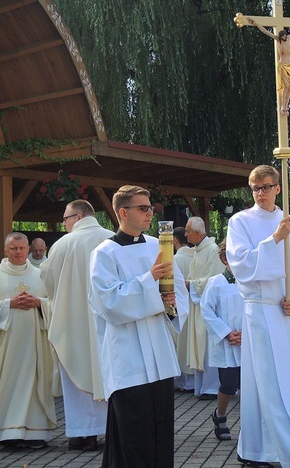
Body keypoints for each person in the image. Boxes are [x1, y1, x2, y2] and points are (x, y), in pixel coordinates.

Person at [89, 185, 189, 467]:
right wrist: (149, 280)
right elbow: (109, 303)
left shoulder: (159, 245)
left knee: (160, 432)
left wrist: (170, 301)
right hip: (127, 356)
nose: (149, 213)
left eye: (150, 208)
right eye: (142, 208)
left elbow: (178, 290)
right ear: (123, 212)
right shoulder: (104, 253)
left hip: (158, 351)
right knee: (132, 435)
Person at [226, 164, 290, 467]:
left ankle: (256, 449)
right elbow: (240, 264)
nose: (260, 192)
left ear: (278, 188)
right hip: (261, 312)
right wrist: (274, 239)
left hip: (285, 313)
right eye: (255, 188)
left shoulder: (286, 220)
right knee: (265, 383)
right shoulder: (241, 221)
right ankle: (280, 452)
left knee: (283, 381)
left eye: (266, 186)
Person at [39, 199, 114, 451]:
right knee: (108, 373)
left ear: (78, 217)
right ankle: (112, 429)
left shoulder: (62, 245)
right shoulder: (113, 239)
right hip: (109, 321)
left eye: (66, 219)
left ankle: (83, 434)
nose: (64, 223)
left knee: (76, 373)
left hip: (73, 323)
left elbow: (47, 283)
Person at [0, 232, 56, 448]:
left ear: (28, 249)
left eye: (21, 248)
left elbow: (54, 304)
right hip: (5, 346)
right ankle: (8, 431)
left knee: (35, 382)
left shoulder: (40, 275)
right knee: (6, 382)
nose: (18, 252)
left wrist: (39, 303)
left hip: (35, 344)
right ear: (5, 251)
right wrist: (8, 304)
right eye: (13, 248)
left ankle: (36, 432)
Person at [200, 240, 243, 441]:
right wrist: (226, 333)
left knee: (249, 386)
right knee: (229, 384)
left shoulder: (250, 282)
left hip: (247, 343)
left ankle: (249, 425)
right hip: (227, 343)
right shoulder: (216, 282)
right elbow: (206, 310)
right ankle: (221, 415)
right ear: (225, 258)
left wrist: (247, 334)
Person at [184, 216, 225, 400]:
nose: (185, 235)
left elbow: (213, 279)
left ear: (198, 233)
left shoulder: (212, 250)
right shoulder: (198, 250)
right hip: (197, 305)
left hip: (208, 306)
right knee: (200, 344)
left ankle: (212, 387)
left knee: (208, 345)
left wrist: (191, 284)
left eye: (188, 231)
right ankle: (201, 387)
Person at [247, 17, 290, 115]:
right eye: (283, 36)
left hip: (289, 65)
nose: (284, 37)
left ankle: (286, 106)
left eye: (285, 35)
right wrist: (256, 23)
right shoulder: (278, 40)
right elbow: (265, 31)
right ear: (280, 37)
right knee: (286, 85)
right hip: (282, 65)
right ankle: (282, 106)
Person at [172, 226, 195, 392]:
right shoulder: (197, 255)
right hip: (195, 304)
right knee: (192, 342)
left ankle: (181, 381)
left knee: (180, 342)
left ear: (174, 240)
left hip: (179, 304)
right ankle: (193, 381)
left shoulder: (176, 259)